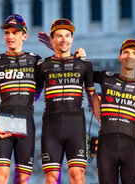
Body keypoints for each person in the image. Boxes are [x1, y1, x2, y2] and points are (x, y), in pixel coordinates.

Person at [35, 18, 100, 184]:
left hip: (76, 127)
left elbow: (92, 97)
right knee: (50, 179)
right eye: (59, 36)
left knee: (77, 177)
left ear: (72, 39)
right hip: (51, 128)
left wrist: (104, 123)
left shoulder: (84, 64)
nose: (63, 39)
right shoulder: (42, 65)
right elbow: (34, 95)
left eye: (67, 35)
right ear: (52, 39)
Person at [0, 13, 43, 184]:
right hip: (4, 121)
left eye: (15, 33)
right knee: (0, 178)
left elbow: (38, 90)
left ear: (24, 36)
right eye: (7, 32)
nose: (10, 36)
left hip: (26, 121)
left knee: (23, 180)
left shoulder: (35, 60)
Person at [93, 39, 135, 183]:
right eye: (126, 52)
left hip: (130, 146)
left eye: (134, 53)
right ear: (119, 57)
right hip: (106, 146)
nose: (129, 56)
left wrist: (131, 117)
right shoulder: (106, 77)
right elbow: (79, 69)